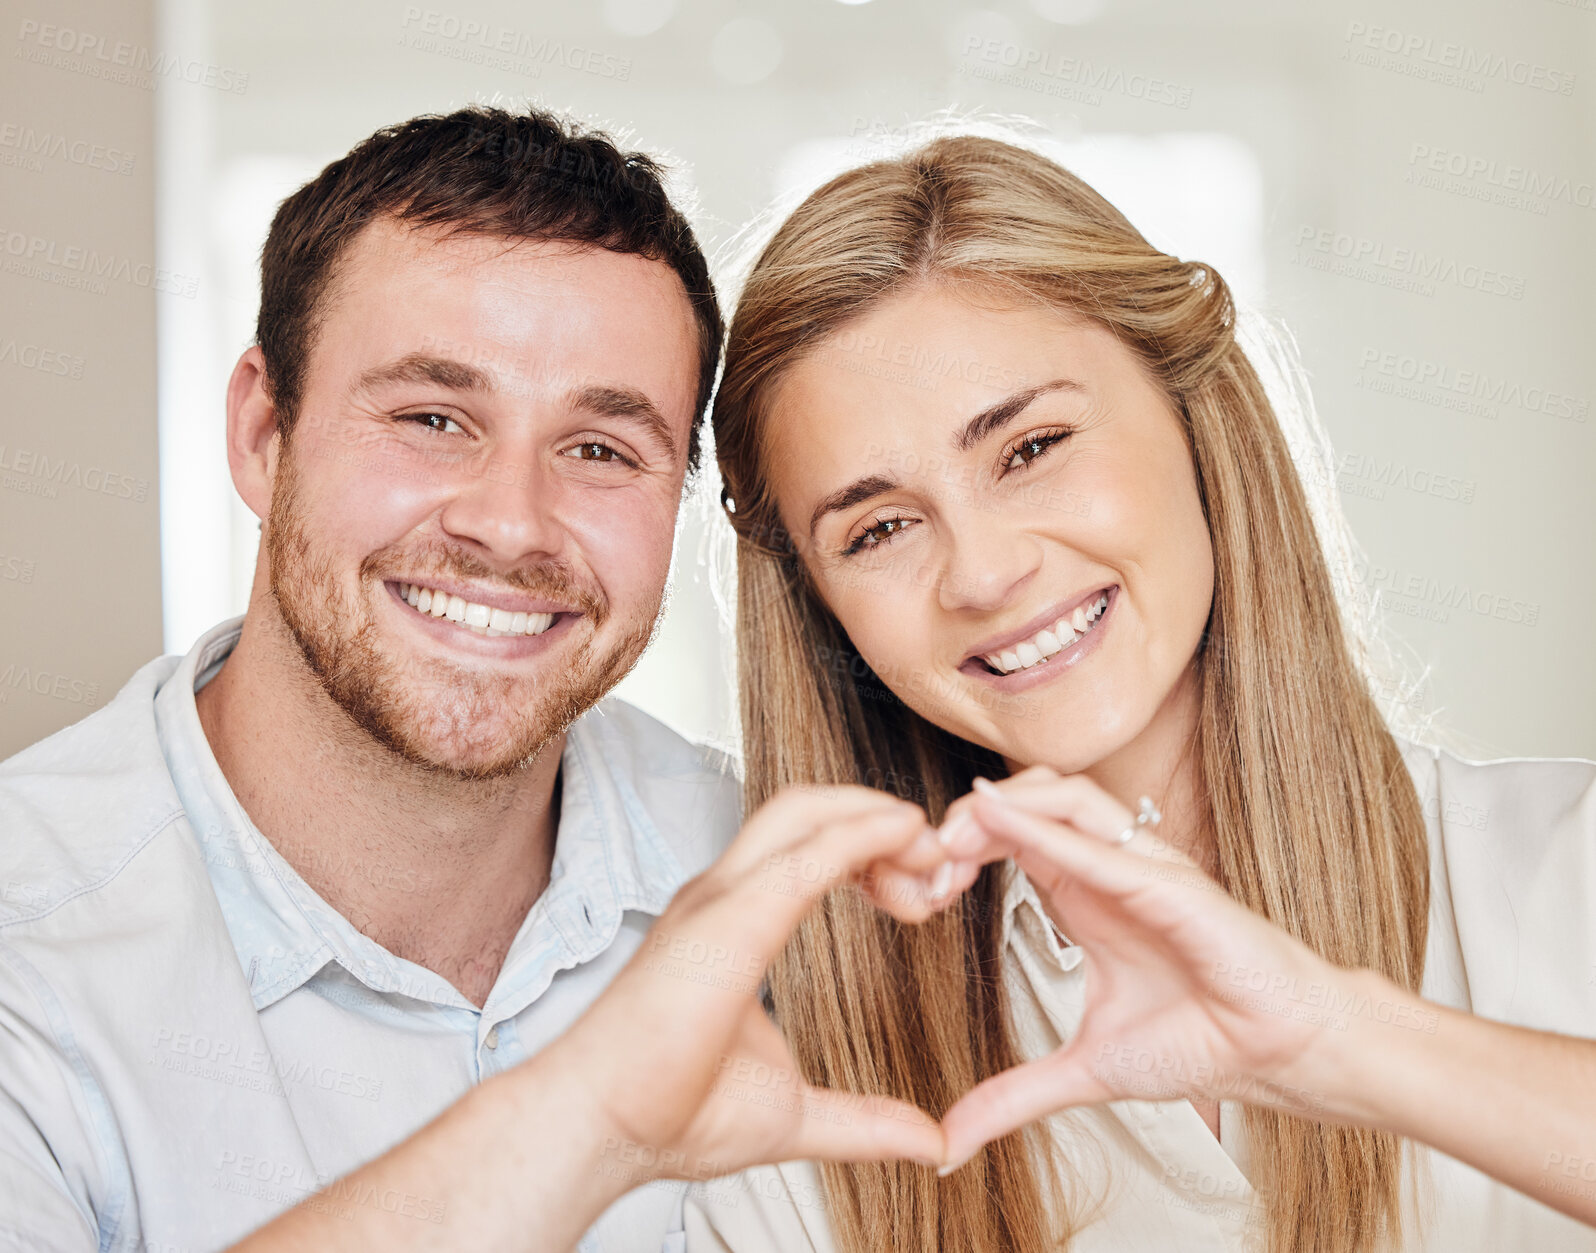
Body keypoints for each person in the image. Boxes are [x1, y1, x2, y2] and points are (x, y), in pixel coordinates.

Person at [682, 133, 1596, 1251]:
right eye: (878, 528)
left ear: (1193, 415)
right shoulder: (795, 1110)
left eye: (1031, 447)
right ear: (824, 610)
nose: (981, 572)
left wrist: (1347, 1047)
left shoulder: (1566, 868)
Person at [0, 102, 760, 1253]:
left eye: (601, 448)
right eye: (432, 416)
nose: (512, 524)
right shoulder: (28, 944)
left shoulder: (774, 887)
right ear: (263, 431)